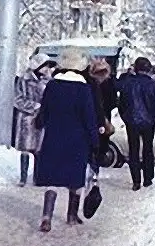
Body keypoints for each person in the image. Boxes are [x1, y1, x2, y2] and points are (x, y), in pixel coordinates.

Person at [34, 48, 99, 232]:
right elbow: (89, 117)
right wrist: (95, 141)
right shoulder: (83, 89)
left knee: (52, 178)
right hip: (77, 141)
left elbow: (44, 111)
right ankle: (72, 215)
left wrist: (39, 123)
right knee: (75, 179)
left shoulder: (52, 86)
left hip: (54, 137)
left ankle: (46, 217)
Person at [118, 57, 155, 191]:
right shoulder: (153, 85)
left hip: (132, 122)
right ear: (148, 69)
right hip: (149, 122)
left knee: (133, 150)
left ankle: (136, 181)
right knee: (148, 149)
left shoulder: (128, 84)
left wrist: (126, 118)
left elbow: (121, 103)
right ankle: (148, 179)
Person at [14, 54, 56, 187]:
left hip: (42, 119)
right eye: (45, 66)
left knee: (40, 150)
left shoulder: (49, 81)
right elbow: (18, 99)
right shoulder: (24, 80)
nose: (47, 69)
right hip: (27, 119)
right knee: (25, 149)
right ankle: (23, 178)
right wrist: (34, 106)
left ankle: (38, 178)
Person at [86, 58, 117, 164]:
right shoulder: (103, 84)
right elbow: (113, 101)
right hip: (102, 117)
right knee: (100, 142)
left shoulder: (89, 84)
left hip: (96, 118)